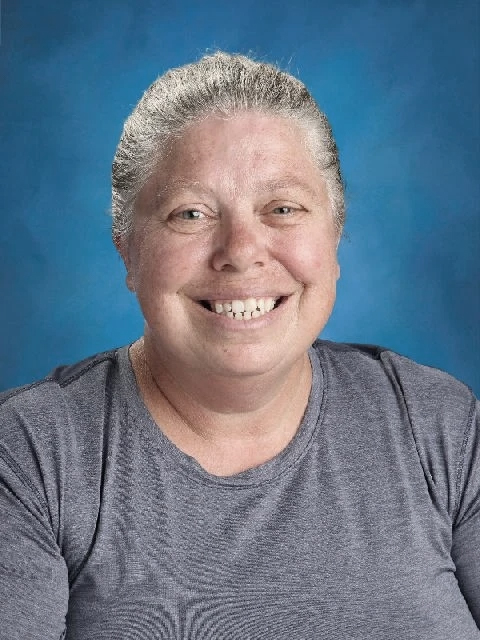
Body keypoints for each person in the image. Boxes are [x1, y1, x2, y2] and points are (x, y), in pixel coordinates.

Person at [0, 52, 478, 640]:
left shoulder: (439, 426)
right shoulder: (29, 456)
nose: (241, 251)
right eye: (191, 213)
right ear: (127, 248)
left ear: (335, 233)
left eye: (282, 208)